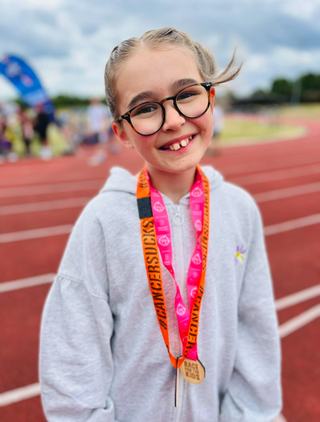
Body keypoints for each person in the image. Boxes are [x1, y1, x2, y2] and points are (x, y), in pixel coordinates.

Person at [40, 27, 282, 421]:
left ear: (211, 98)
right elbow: (73, 362)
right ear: (121, 130)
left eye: (187, 94)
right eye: (145, 108)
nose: (172, 121)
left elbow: (255, 332)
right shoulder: (102, 224)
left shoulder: (240, 210)